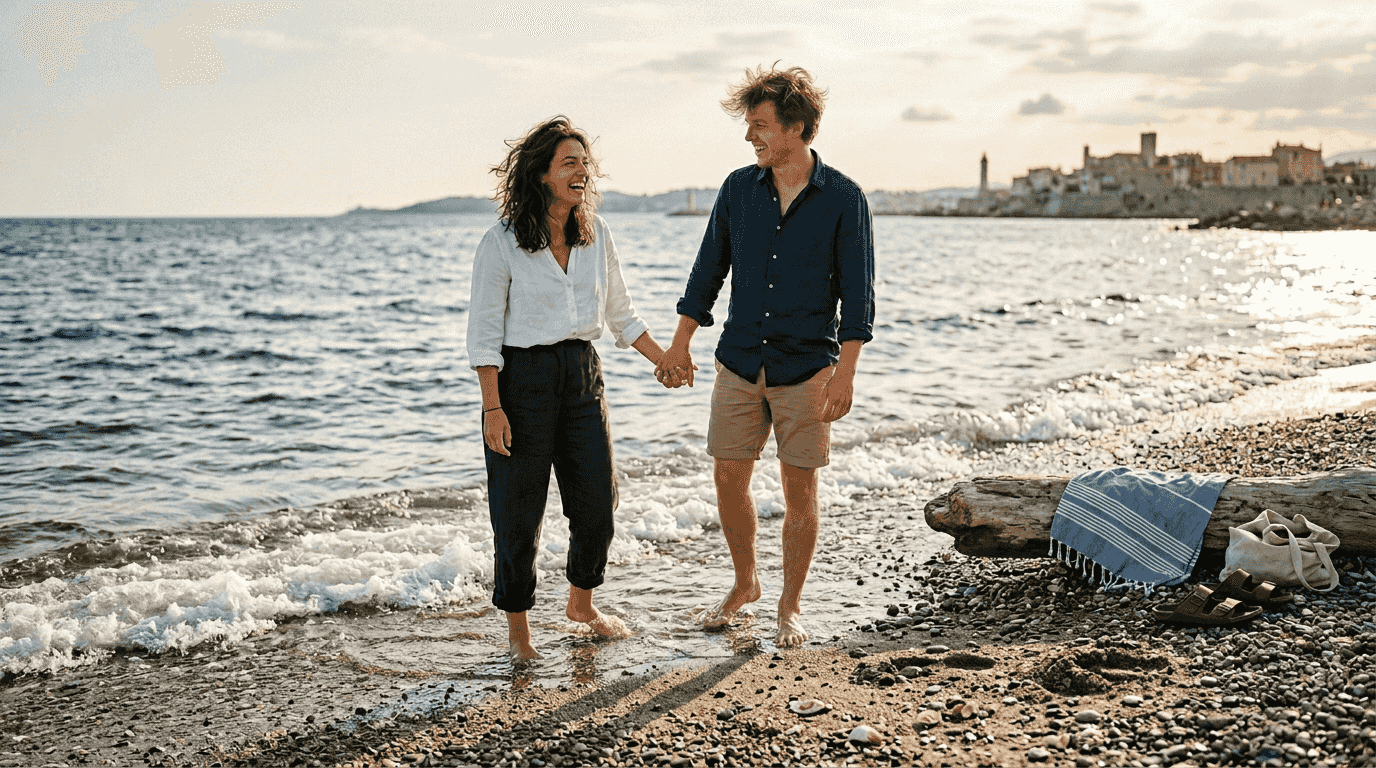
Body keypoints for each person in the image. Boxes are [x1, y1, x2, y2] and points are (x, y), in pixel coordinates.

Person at [655, 65, 875, 648]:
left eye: (760, 126)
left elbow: (858, 296)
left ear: (797, 128)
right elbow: (706, 274)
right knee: (729, 477)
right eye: (750, 125)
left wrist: (845, 375)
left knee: (800, 489)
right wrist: (681, 343)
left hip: (808, 368)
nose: (750, 137)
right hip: (738, 360)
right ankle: (746, 582)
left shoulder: (845, 199)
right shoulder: (736, 190)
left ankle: (790, 604)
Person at [467, 116, 669, 662]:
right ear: (541, 175)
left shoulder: (596, 233)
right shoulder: (502, 242)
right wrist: (493, 407)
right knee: (517, 512)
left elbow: (621, 314)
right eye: (569, 163)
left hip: (583, 376)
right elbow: (484, 333)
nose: (582, 171)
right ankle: (519, 631)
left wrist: (665, 359)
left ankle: (580, 603)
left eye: (585, 162)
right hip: (520, 381)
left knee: (598, 502)